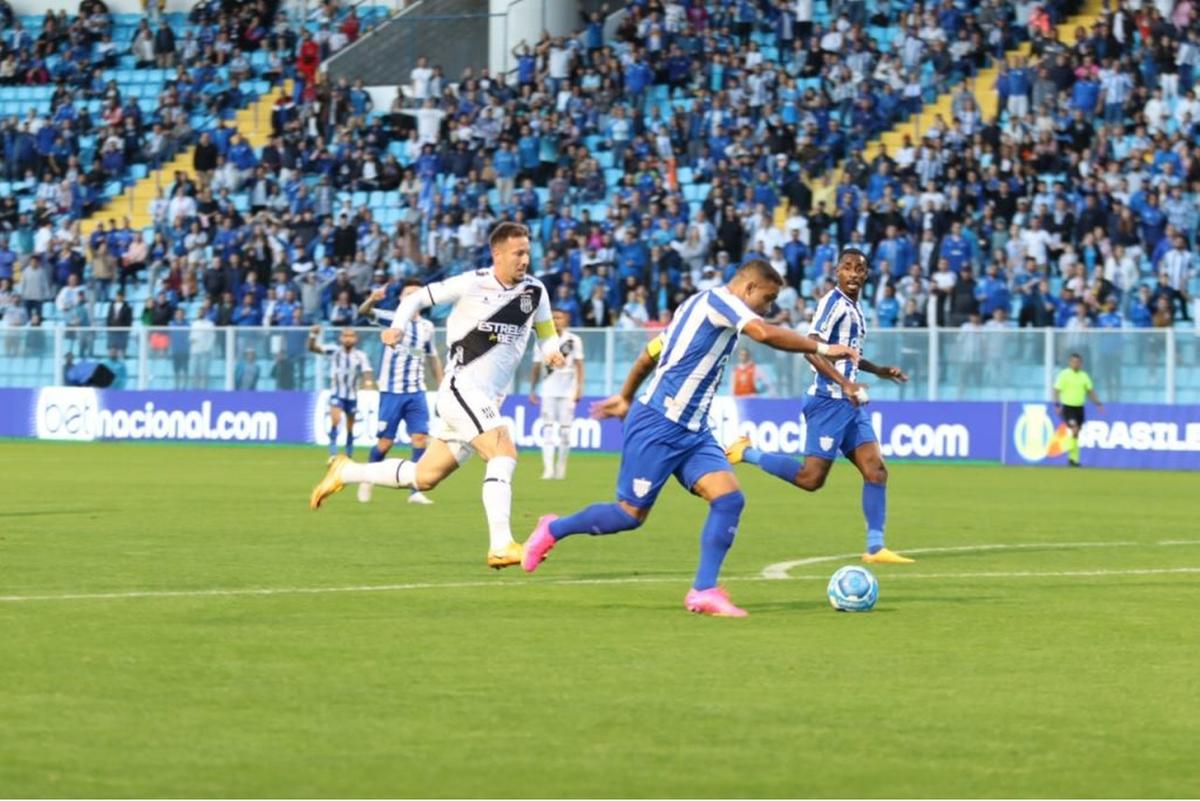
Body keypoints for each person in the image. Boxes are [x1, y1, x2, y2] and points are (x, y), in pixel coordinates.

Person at [520, 259, 859, 617]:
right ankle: (553, 528)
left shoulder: (696, 307)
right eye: (768, 298)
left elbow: (650, 353)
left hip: (694, 430)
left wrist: (625, 395)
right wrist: (822, 348)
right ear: (748, 289)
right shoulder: (722, 302)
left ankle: (703, 590)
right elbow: (765, 334)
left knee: (729, 499)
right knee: (629, 515)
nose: (769, 307)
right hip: (658, 424)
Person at [310, 223, 566, 570]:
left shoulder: (535, 292)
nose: (525, 259)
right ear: (498, 254)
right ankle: (501, 544)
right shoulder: (473, 283)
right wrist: (399, 326)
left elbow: (546, 333)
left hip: (487, 400)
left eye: (527, 252)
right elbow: (416, 298)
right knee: (502, 450)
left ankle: (346, 471)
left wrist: (551, 351)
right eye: (518, 253)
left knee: (424, 477)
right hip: (462, 388)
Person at [725, 249, 915, 566]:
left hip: (850, 403)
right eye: (848, 268)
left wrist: (879, 370)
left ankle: (875, 547)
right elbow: (811, 348)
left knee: (876, 470)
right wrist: (844, 384)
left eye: (860, 269)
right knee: (811, 479)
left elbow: (846, 354)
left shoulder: (855, 309)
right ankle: (746, 452)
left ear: (866, 276)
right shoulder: (833, 303)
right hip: (828, 401)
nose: (854, 274)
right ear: (837, 272)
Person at [356, 281, 443, 506]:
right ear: (402, 299)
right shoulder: (391, 318)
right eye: (408, 293)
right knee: (385, 443)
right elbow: (362, 312)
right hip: (391, 391)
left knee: (420, 439)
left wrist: (442, 384)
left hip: (416, 391)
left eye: (417, 294)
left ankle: (415, 491)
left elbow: (432, 358)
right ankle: (367, 477)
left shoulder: (427, 327)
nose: (412, 297)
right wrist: (371, 300)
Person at [530, 309, 584, 480]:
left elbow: (579, 366)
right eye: (553, 318)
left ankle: (561, 467)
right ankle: (548, 469)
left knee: (566, 432)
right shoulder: (542, 342)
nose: (556, 320)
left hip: (567, 391)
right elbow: (537, 367)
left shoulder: (574, 340)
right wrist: (532, 389)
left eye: (559, 317)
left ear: (566, 320)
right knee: (547, 430)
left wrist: (579, 388)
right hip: (548, 391)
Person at [308, 325, 374, 461]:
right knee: (335, 420)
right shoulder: (334, 352)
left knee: (350, 427)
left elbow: (367, 371)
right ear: (340, 338)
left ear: (356, 339)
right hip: (337, 394)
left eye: (351, 336)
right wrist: (313, 336)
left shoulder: (360, 356)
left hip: (352, 396)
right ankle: (333, 453)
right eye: (345, 336)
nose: (348, 339)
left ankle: (349, 454)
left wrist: (368, 382)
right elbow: (313, 348)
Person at [1053, 352, 1104, 468]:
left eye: (1078, 362)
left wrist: (1098, 403)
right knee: (1074, 429)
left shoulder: (1084, 376)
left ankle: (1073, 460)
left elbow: (1090, 391)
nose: (1075, 364)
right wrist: (1056, 405)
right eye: (1073, 362)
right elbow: (1056, 390)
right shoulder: (1064, 374)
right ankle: (1069, 449)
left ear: (1081, 364)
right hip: (1068, 407)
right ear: (1069, 363)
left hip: (1079, 408)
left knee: (1076, 434)